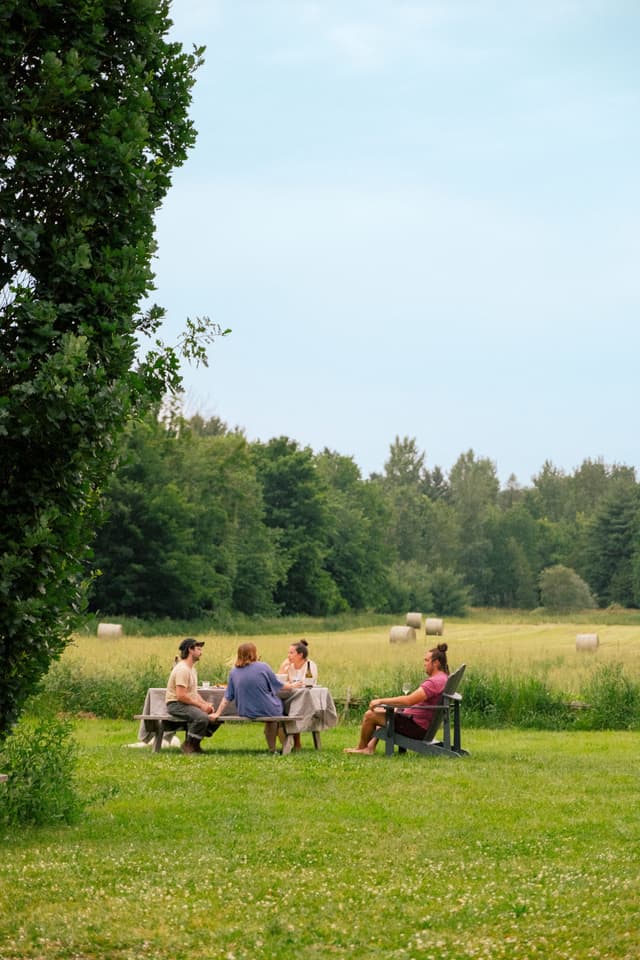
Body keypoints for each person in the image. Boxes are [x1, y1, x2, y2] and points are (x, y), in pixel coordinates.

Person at [344, 643, 450, 755]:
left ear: (436, 662)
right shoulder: (443, 678)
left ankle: (362, 748)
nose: (424, 664)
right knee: (381, 711)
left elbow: (409, 700)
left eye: (426, 660)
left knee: (370, 715)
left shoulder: (434, 682)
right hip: (419, 723)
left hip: (416, 728)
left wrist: (381, 700)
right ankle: (370, 747)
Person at [211, 642, 295, 752]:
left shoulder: (233, 671)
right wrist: (293, 685)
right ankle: (278, 744)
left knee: (273, 714)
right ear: (253, 653)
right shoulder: (263, 667)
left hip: (245, 711)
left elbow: (227, 696)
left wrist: (217, 713)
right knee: (278, 709)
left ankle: (275, 743)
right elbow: (279, 685)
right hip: (267, 709)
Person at [166, 638, 221, 755]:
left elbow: (194, 693)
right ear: (190, 650)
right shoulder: (182, 669)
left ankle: (194, 744)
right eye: (199, 649)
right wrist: (201, 706)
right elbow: (181, 696)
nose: (201, 652)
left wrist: (205, 704)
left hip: (185, 703)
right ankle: (189, 745)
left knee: (215, 716)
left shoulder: (192, 670)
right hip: (176, 704)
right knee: (201, 717)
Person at [277, 639, 318, 751]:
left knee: (296, 706)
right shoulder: (289, 666)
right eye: (288, 653)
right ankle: (286, 739)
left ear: (300, 655)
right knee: (279, 706)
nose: (288, 656)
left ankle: (296, 743)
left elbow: (306, 683)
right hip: (290, 696)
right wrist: (282, 669)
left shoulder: (310, 665)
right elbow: (279, 682)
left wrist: (292, 684)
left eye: (291, 653)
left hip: (307, 699)